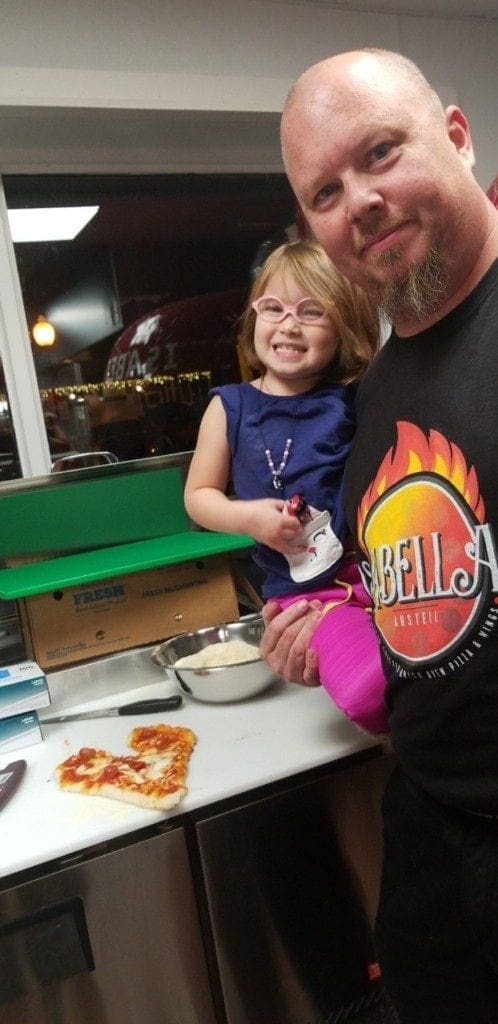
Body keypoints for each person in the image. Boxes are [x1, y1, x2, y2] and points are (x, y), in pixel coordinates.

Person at [259, 47, 498, 1024]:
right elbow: (409, 595)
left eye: (381, 152)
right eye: (325, 190)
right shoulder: (388, 386)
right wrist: (341, 625)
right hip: (436, 857)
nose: (356, 201)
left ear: (456, 136)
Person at [184, 239, 389, 733]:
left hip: (384, 579)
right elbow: (198, 497)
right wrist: (249, 517)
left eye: (312, 310)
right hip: (308, 600)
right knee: (369, 692)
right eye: (272, 307)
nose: (289, 323)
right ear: (254, 319)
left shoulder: (353, 399)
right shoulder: (228, 406)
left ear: (343, 328)